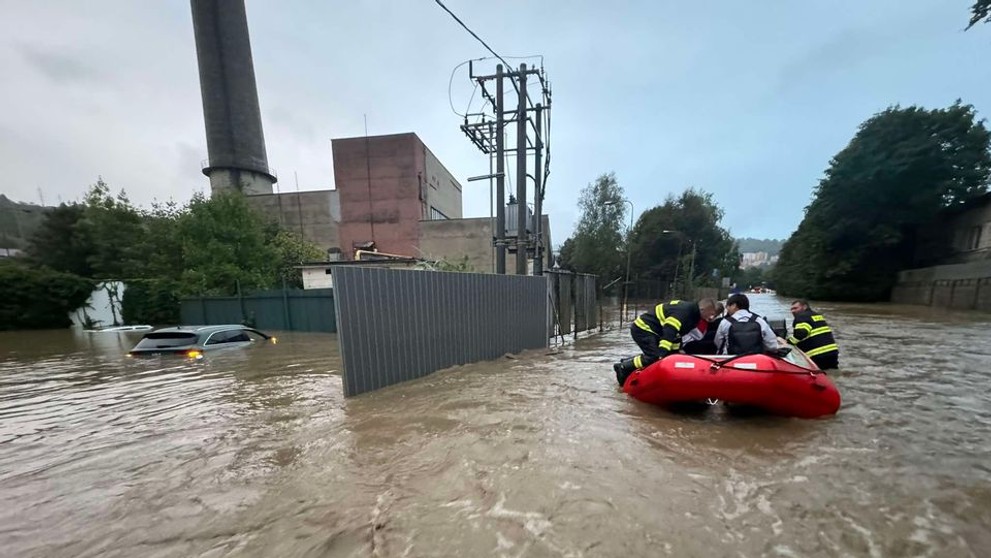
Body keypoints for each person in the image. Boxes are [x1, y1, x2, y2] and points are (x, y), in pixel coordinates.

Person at [613, 298, 719, 386]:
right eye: (711, 314)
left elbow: (677, 335)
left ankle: (627, 361)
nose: (712, 317)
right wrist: (662, 353)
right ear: (703, 309)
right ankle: (623, 367)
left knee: (665, 355)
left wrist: (677, 351)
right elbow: (669, 331)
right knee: (654, 357)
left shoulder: (694, 317)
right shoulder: (684, 312)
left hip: (656, 331)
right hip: (643, 328)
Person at [713, 294, 779, 355]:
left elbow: (718, 343)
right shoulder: (759, 321)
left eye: (728, 306)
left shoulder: (725, 322)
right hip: (756, 360)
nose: (727, 309)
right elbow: (772, 345)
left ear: (734, 305)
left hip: (730, 360)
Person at [787, 299, 839, 370]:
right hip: (832, 352)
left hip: (817, 354)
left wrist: (790, 342)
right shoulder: (817, 315)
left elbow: (801, 333)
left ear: (804, 307)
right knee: (832, 373)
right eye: (792, 309)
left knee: (818, 376)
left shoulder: (801, 317)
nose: (793, 311)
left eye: (795, 308)